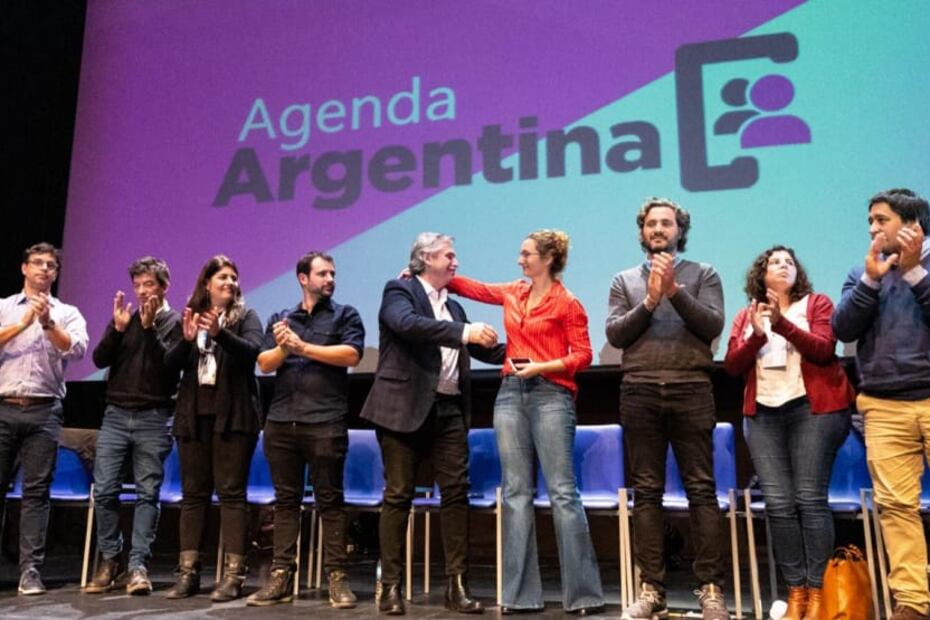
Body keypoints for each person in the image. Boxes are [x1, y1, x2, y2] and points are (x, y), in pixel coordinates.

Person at [448, 229, 605, 616]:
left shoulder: (567, 303)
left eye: (527, 254)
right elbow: (476, 289)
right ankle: (520, 596)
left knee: (563, 494)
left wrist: (542, 366)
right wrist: (432, 276)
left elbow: (583, 355)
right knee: (516, 493)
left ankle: (584, 596)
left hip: (552, 395)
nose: (520, 260)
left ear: (548, 259)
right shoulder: (514, 292)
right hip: (510, 395)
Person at [359, 232, 504, 616]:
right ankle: (389, 587)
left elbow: (479, 347)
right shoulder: (399, 290)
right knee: (399, 494)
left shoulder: (454, 308)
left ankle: (457, 587)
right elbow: (408, 325)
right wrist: (464, 332)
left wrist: (525, 352)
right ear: (425, 258)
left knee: (456, 494)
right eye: (449, 255)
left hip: (449, 410)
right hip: (402, 409)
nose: (456, 262)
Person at [605, 197, 729, 620]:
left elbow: (712, 325)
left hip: (692, 389)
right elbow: (617, 334)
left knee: (701, 490)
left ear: (680, 231)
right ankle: (651, 590)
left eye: (667, 223)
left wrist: (673, 291)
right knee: (648, 494)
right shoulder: (624, 280)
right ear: (642, 232)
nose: (659, 229)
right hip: (639, 391)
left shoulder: (703, 274)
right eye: (652, 224)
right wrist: (651, 301)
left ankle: (711, 589)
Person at [724, 246, 853, 619]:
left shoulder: (816, 304)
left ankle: (818, 591)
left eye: (789, 261)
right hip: (763, 415)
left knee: (810, 499)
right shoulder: (746, 315)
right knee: (779, 505)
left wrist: (781, 323)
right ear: (761, 274)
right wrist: (757, 334)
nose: (783, 265)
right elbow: (733, 366)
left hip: (812, 411)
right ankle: (796, 591)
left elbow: (825, 350)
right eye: (774, 262)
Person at [833, 188, 930, 620]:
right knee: (896, 508)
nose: (873, 229)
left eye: (881, 220)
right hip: (883, 405)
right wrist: (872, 282)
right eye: (870, 221)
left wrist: (914, 274)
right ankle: (912, 603)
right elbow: (843, 328)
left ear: (912, 225)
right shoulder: (862, 273)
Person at [248, 251, 364, 608]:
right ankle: (281, 576)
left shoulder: (345, 315)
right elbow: (264, 364)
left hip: (325, 420)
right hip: (282, 421)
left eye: (332, 274)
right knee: (286, 502)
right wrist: (285, 346)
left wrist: (304, 346)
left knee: (330, 501)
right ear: (303, 278)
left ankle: (337, 577)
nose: (330, 279)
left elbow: (351, 355)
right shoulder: (281, 319)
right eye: (322, 273)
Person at [164, 255, 263, 602]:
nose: (230, 283)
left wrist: (221, 334)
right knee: (194, 495)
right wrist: (187, 341)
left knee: (232, 493)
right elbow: (168, 365)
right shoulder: (190, 316)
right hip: (194, 417)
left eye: (234, 278)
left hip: (233, 417)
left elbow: (255, 353)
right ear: (207, 283)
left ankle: (234, 575)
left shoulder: (246, 317)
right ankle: (188, 573)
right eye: (223, 277)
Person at [85, 257, 182, 595]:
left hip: (154, 418)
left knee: (147, 493)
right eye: (137, 285)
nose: (141, 291)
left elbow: (169, 368)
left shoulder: (174, 322)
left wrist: (150, 327)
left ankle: (137, 565)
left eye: (148, 285)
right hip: (115, 415)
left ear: (164, 287)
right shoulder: (124, 319)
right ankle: (111, 559)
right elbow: (99, 360)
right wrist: (117, 329)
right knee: (107, 489)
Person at [0, 242, 88, 595]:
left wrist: (48, 324)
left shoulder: (67, 312)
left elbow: (77, 349)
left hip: (44, 410)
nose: (44, 270)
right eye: (37, 263)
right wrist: (23, 323)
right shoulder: (5, 308)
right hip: (4, 406)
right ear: (24, 268)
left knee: (36, 493)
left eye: (51, 265)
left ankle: (30, 572)